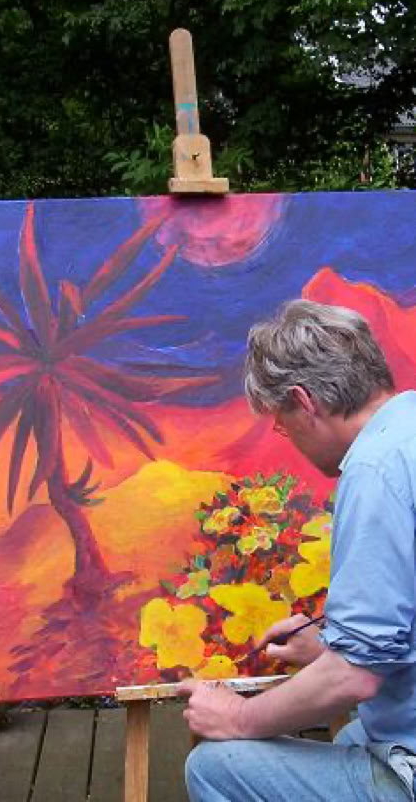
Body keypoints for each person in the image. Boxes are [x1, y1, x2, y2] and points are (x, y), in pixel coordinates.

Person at [180, 299, 416, 801]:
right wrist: (332, 650)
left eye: (282, 424)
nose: (288, 438)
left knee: (215, 767)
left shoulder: (375, 469)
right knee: (352, 735)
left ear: (304, 402)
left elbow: (355, 679)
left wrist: (238, 717)